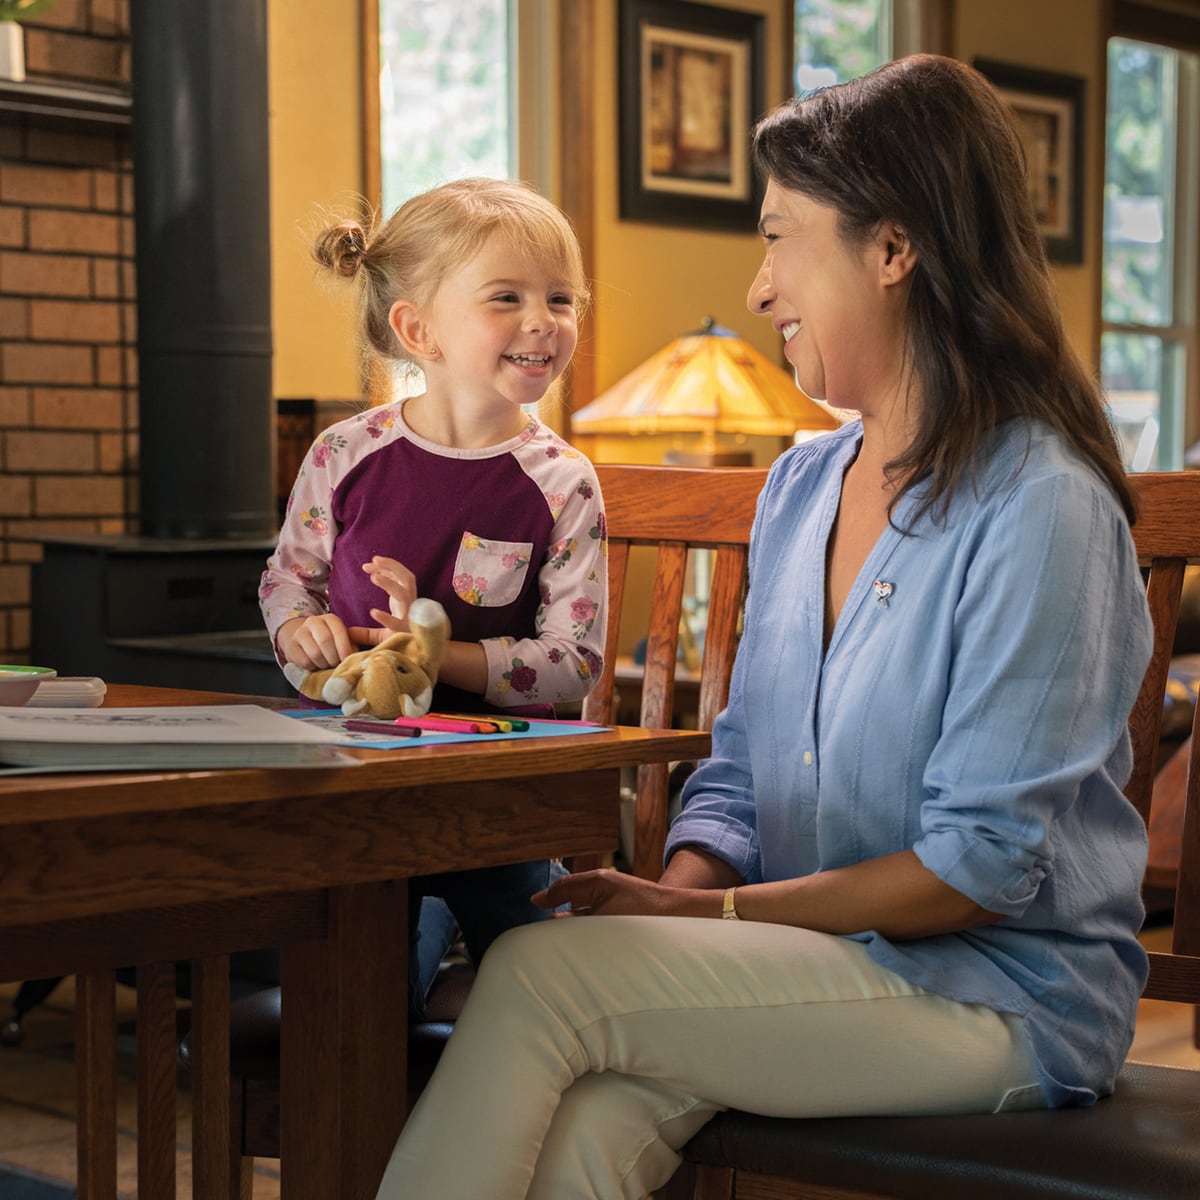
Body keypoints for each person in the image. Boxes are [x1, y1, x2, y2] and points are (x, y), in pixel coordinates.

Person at [373, 54, 1154, 1200]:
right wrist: (679, 897)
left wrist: (704, 914)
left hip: (996, 1002)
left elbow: (976, 871)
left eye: (781, 239)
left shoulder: (1042, 503)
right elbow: (737, 775)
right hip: (803, 964)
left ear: (894, 250)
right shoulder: (801, 488)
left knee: (542, 976)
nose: (759, 288)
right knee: (593, 1111)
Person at [259, 177, 607, 1016]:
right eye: (507, 298)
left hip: (496, 798)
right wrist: (301, 633)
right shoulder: (346, 452)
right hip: (364, 789)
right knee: (361, 995)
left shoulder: (562, 481)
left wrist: (438, 655)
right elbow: (286, 581)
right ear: (419, 330)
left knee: (545, 992)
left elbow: (575, 663)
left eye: (561, 298)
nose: (544, 319)